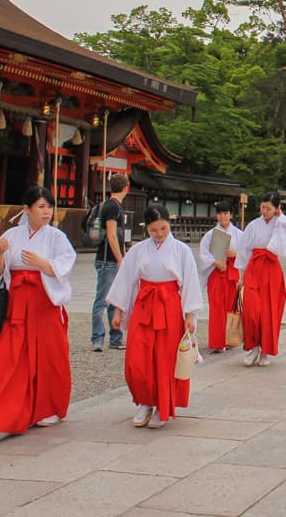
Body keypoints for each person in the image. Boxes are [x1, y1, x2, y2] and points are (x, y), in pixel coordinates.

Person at [0, 186, 76, 444]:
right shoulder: (12, 234)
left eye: (49, 207)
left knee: (49, 359)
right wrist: (0, 252)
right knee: (0, 360)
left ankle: (46, 408)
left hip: (44, 304)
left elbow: (64, 266)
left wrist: (42, 263)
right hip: (16, 305)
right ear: (27, 209)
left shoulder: (56, 237)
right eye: (41, 207)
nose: (47, 212)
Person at [106, 204, 203, 429]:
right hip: (145, 304)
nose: (159, 234)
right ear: (146, 228)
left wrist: (190, 315)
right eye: (153, 230)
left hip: (169, 306)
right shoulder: (139, 250)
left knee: (165, 357)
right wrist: (119, 310)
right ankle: (144, 401)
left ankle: (162, 404)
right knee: (138, 357)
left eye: (163, 229)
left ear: (170, 224)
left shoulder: (181, 250)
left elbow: (189, 282)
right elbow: (126, 278)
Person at [233, 191, 286, 367]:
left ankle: (265, 351)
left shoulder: (280, 224)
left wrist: (280, 215)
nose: (265, 211)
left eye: (269, 208)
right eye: (263, 208)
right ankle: (253, 348)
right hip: (254, 268)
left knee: (269, 311)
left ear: (277, 209)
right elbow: (244, 250)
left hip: (272, 269)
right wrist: (241, 276)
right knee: (251, 311)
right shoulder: (253, 225)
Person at [91, 172, 130, 352]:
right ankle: (98, 337)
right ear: (126, 188)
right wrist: (120, 259)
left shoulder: (112, 205)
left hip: (109, 257)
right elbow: (112, 234)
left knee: (114, 299)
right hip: (107, 259)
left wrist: (124, 256)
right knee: (103, 300)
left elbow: (119, 236)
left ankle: (115, 337)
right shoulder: (113, 207)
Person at [197, 200, 242, 353]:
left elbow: (246, 253)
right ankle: (217, 342)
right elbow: (203, 254)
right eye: (220, 213)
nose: (222, 217)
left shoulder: (239, 234)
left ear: (231, 215)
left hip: (232, 272)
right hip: (216, 273)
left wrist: (236, 254)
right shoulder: (210, 235)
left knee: (231, 307)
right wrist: (215, 261)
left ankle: (230, 340)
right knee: (216, 308)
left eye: (225, 213)